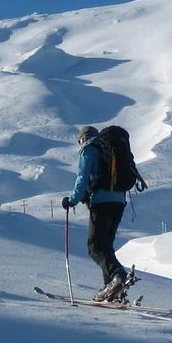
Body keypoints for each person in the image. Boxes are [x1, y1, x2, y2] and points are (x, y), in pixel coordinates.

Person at [62, 126, 132, 302]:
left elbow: (82, 177)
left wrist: (72, 200)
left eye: (80, 140)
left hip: (101, 203)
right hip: (119, 202)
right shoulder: (112, 149)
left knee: (95, 247)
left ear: (84, 138)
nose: (80, 144)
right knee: (106, 246)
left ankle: (117, 275)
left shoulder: (89, 149)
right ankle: (112, 290)